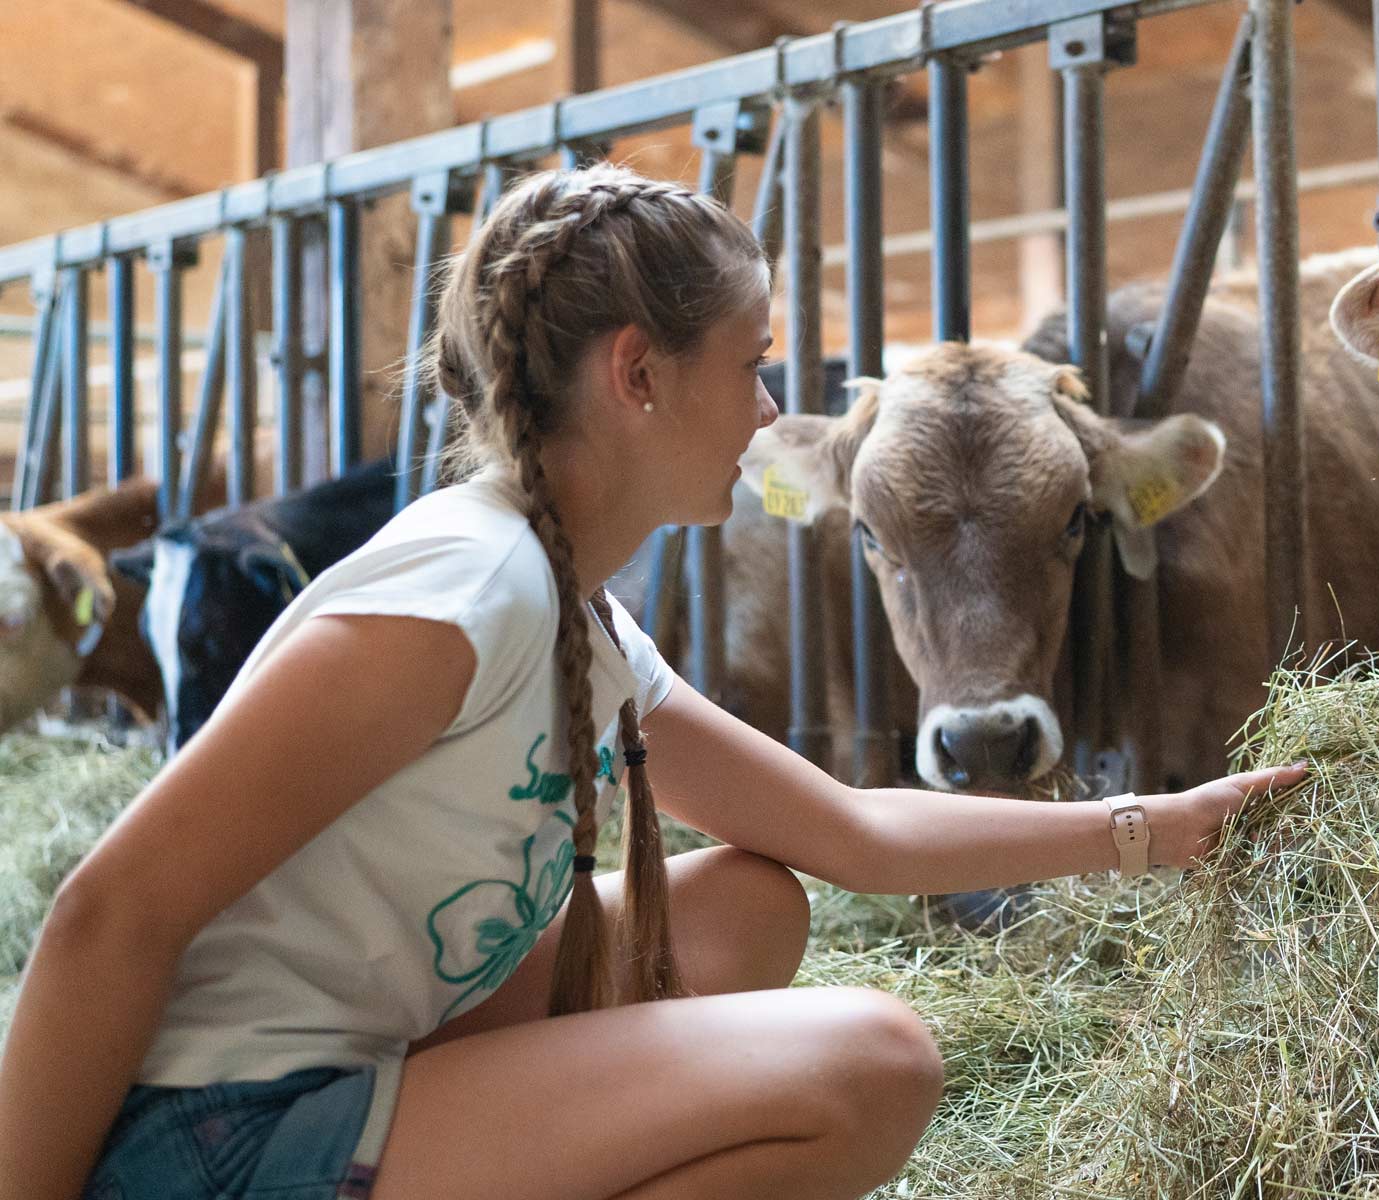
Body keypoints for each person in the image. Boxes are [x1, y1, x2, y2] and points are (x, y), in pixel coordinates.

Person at [0, 165, 1306, 1200]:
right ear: (638, 375)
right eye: (750, 363)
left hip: (361, 1045)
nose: (767, 409)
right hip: (218, 1131)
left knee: (747, 906)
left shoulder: (567, 598)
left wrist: (1153, 832)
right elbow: (108, 916)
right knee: (872, 1061)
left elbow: (843, 832)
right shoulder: (460, 598)